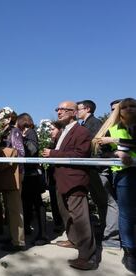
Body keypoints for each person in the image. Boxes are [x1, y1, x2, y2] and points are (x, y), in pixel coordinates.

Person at [42, 101, 97, 270]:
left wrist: (53, 153)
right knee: (66, 213)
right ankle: (74, 240)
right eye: (57, 109)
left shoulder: (81, 131)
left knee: (80, 219)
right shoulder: (63, 132)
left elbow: (80, 154)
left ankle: (88, 257)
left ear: (73, 112)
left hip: (75, 180)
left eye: (63, 109)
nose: (58, 112)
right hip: (61, 179)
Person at [94, 97, 136, 274]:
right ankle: (129, 251)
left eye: (132, 105)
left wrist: (116, 143)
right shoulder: (112, 128)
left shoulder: (115, 135)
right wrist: (116, 154)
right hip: (123, 174)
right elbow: (102, 154)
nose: (128, 109)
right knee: (126, 213)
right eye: (124, 107)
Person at [77, 100, 108, 243]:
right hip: (90, 167)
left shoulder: (94, 123)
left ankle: (107, 231)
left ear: (87, 109)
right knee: (97, 200)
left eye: (79, 109)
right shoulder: (85, 124)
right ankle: (103, 227)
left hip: (95, 168)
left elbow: (97, 147)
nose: (77, 112)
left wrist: (95, 164)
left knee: (103, 201)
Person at [0, 107, 26, 252]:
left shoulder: (15, 132)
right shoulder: (5, 132)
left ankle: (18, 242)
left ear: (8, 119)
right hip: (7, 172)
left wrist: (2, 155)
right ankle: (12, 236)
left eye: (1, 118)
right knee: (9, 208)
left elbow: (20, 152)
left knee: (15, 208)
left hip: (15, 172)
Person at [18, 113, 49, 245]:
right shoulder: (27, 133)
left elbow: (32, 149)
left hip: (33, 174)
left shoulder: (30, 132)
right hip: (28, 173)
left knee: (37, 203)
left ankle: (43, 234)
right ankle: (26, 230)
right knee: (26, 203)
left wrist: (22, 142)